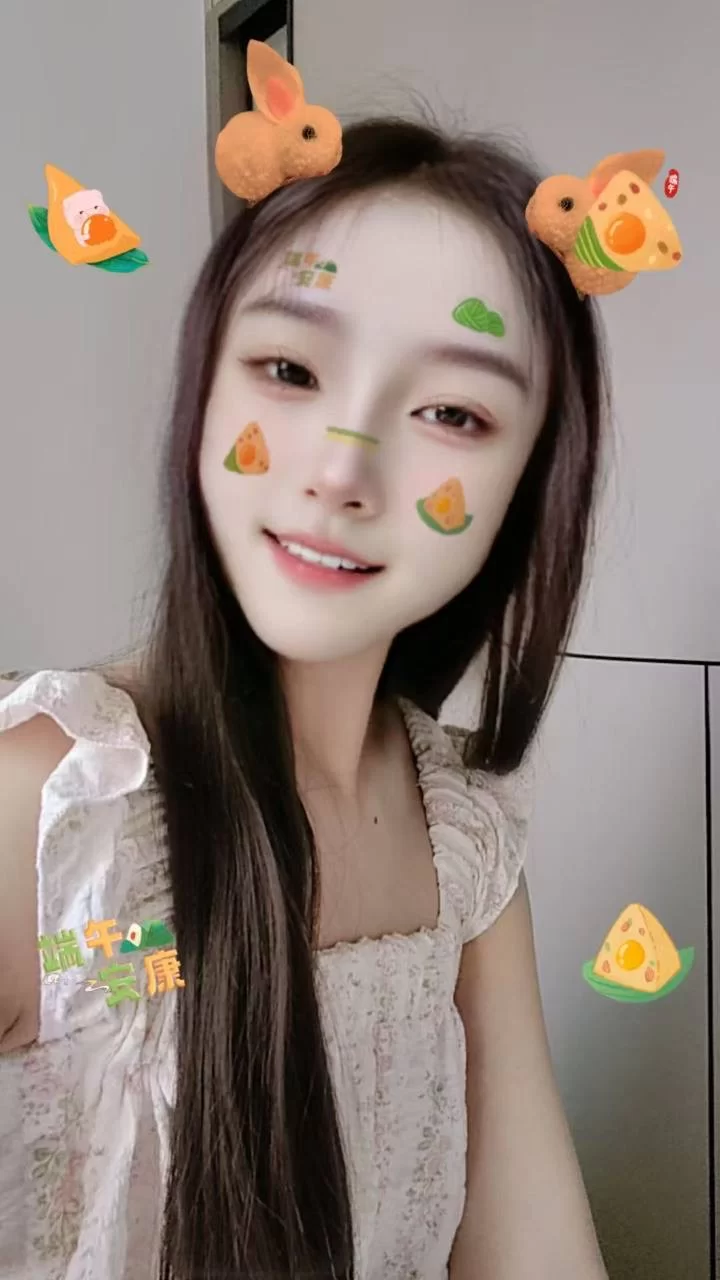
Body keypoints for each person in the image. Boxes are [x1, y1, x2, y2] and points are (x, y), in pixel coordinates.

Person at [0, 117, 610, 1279]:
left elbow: (534, 1247)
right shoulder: (59, 810)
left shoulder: (462, 847)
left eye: (454, 413)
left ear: (531, 481)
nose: (341, 468)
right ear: (203, 380)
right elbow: (122, 970)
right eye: (289, 370)